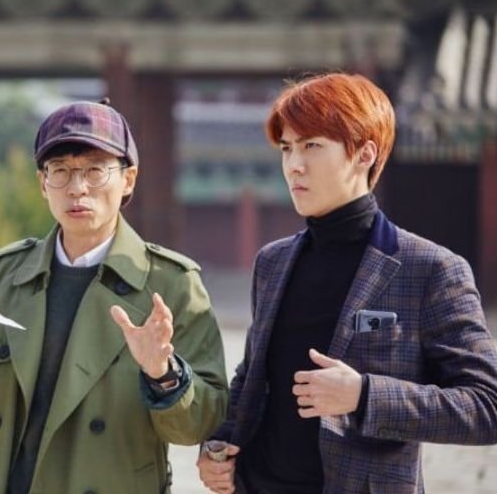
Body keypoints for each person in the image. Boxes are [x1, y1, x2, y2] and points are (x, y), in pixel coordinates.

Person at [0, 99, 229, 493]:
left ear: (128, 179)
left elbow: (202, 422)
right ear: (43, 183)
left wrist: (163, 374)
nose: (77, 188)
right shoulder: (4, 276)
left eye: (95, 170)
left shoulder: (171, 284)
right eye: (60, 171)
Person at [196, 72, 497, 494]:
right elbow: (252, 378)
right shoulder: (272, 262)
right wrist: (219, 445)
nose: (294, 165)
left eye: (312, 146)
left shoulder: (430, 269)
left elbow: (486, 406)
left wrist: (364, 395)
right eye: (287, 148)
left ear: (364, 154)